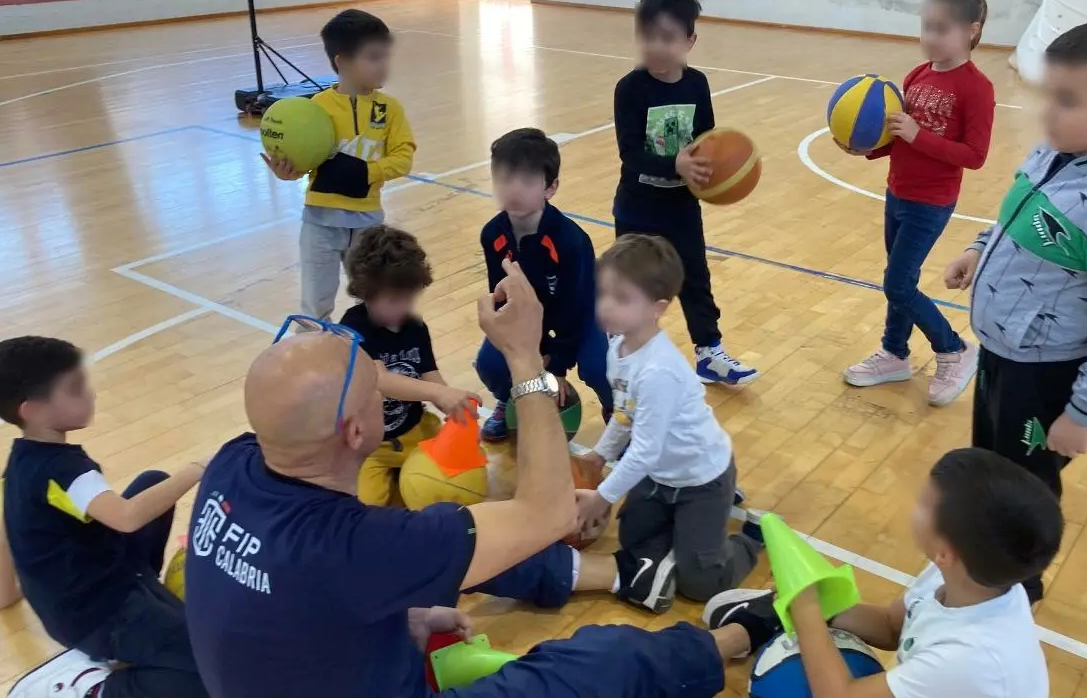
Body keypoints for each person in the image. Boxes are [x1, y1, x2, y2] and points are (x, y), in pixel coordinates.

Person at [183, 260, 781, 697]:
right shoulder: (358, 547)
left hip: (319, 663)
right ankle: (734, 639)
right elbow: (546, 515)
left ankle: (622, 574)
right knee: (595, 664)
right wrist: (525, 358)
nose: (385, 386)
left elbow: (292, 599)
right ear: (356, 434)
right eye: (376, 387)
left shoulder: (235, 464)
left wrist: (403, 617)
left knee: (453, 543)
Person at [941, 17, 1087, 603]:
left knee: (1024, 489)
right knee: (990, 472)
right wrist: (977, 247)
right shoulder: (1055, 153)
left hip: (1046, 379)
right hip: (1002, 352)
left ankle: (1015, 591)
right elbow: (1015, 215)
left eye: (1067, 101)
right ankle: (981, 563)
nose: (1048, 113)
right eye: (1049, 96)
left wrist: (1084, 413)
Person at [706, 447, 1064, 698]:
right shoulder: (966, 575)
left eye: (924, 503)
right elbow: (894, 627)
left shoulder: (970, 657)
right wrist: (823, 602)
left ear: (945, 551)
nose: (913, 505)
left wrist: (807, 612)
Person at [0, 337, 207, 698]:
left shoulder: (21, 462)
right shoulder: (68, 472)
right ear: (32, 410)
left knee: (152, 483)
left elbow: (6, 533)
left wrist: (4, 593)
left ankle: (147, 594)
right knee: (208, 670)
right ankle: (98, 689)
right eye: (76, 389)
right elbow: (127, 518)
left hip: (83, 585)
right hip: (96, 616)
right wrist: (196, 470)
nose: (91, 394)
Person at [576, 234, 761, 609]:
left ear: (657, 308)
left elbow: (645, 451)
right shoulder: (619, 346)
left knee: (702, 582)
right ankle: (689, 535)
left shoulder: (659, 370)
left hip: (700, 479)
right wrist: (599, 455)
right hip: (660, 476)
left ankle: (751, 539)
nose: (606, 306)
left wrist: (603, 496)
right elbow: (625, 414)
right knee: (632, 539)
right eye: (603, 293)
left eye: (622, 298)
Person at [838, 0, 994, 407]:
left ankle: (954, 349)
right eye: (926, 26)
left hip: (932, 201)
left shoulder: (976, 87)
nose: (930, 37)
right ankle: (894, 353)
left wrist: (918, 135)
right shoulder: (917, 76)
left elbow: (974, 155)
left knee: (898, 284)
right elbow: (899, 139)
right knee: (898, 279)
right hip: (898, 192)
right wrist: (867, 147)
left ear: (972, 31)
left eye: (942, 29)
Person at [611, 0, 758, 386]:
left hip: (681, 207)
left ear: (690, 40)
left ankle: (709, 351)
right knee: (630, 282)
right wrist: (676, 165)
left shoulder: (697, 85)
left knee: (696, 277)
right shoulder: (630, 89)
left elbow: (708, 140)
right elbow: (631, 154)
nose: (656, 47)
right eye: (647, 37)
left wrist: (716, 173)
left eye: (667, 38)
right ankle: (619, 349)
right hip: (637, 205)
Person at [262, 9, 416, 322]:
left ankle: (376, 360)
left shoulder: (391, 109)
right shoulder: (315, 108)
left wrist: (367, 173)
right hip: (320, 222)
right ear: (341, 62)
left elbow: (404, 156)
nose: (383, 65)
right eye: (373, 57)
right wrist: (286, 173)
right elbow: (305, 162)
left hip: (368, 223)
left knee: (376, 299)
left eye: (386, 56)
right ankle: (312, 362)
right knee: (315, 306)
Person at [475, 128, 612, 442]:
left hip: (578, 317)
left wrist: (557, 366)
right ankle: (506, 399)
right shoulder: (491, 234)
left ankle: (617, 411)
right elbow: (501, 297)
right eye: (505, 179)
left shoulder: (571, 241)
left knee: (598, 366)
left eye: (526, 181)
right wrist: (526, 352)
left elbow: (575, 306)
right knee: (490, 364)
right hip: (526, 320)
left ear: (551, 188)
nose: (513, 190)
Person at [338, 225, 477, 506]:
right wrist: (437, 394)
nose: (404, 307)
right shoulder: (352, 327)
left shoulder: (414, 326)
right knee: (365, 504)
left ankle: (410, 471)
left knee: (454, 477)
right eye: (393, 300)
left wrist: (453, 402)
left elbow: (430, 374)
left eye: (409, 299)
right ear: (365, 293)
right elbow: (380, 379)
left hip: (416, 431)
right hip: (369, 446)